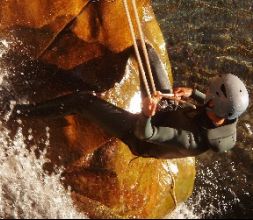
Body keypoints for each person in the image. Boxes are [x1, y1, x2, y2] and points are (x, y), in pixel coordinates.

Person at [9, 43, 249, 159]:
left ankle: (18, 112)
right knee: (145, 48)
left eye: (208, 93)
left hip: (140, 133)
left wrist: (146, 112)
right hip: (169, 112)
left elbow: (147, 134)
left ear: (213, 104)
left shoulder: (190, 140)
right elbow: (206, 109)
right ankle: (109, 71)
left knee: (84, 102)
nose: (206, 92)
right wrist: (193, 93)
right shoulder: (227, 114)